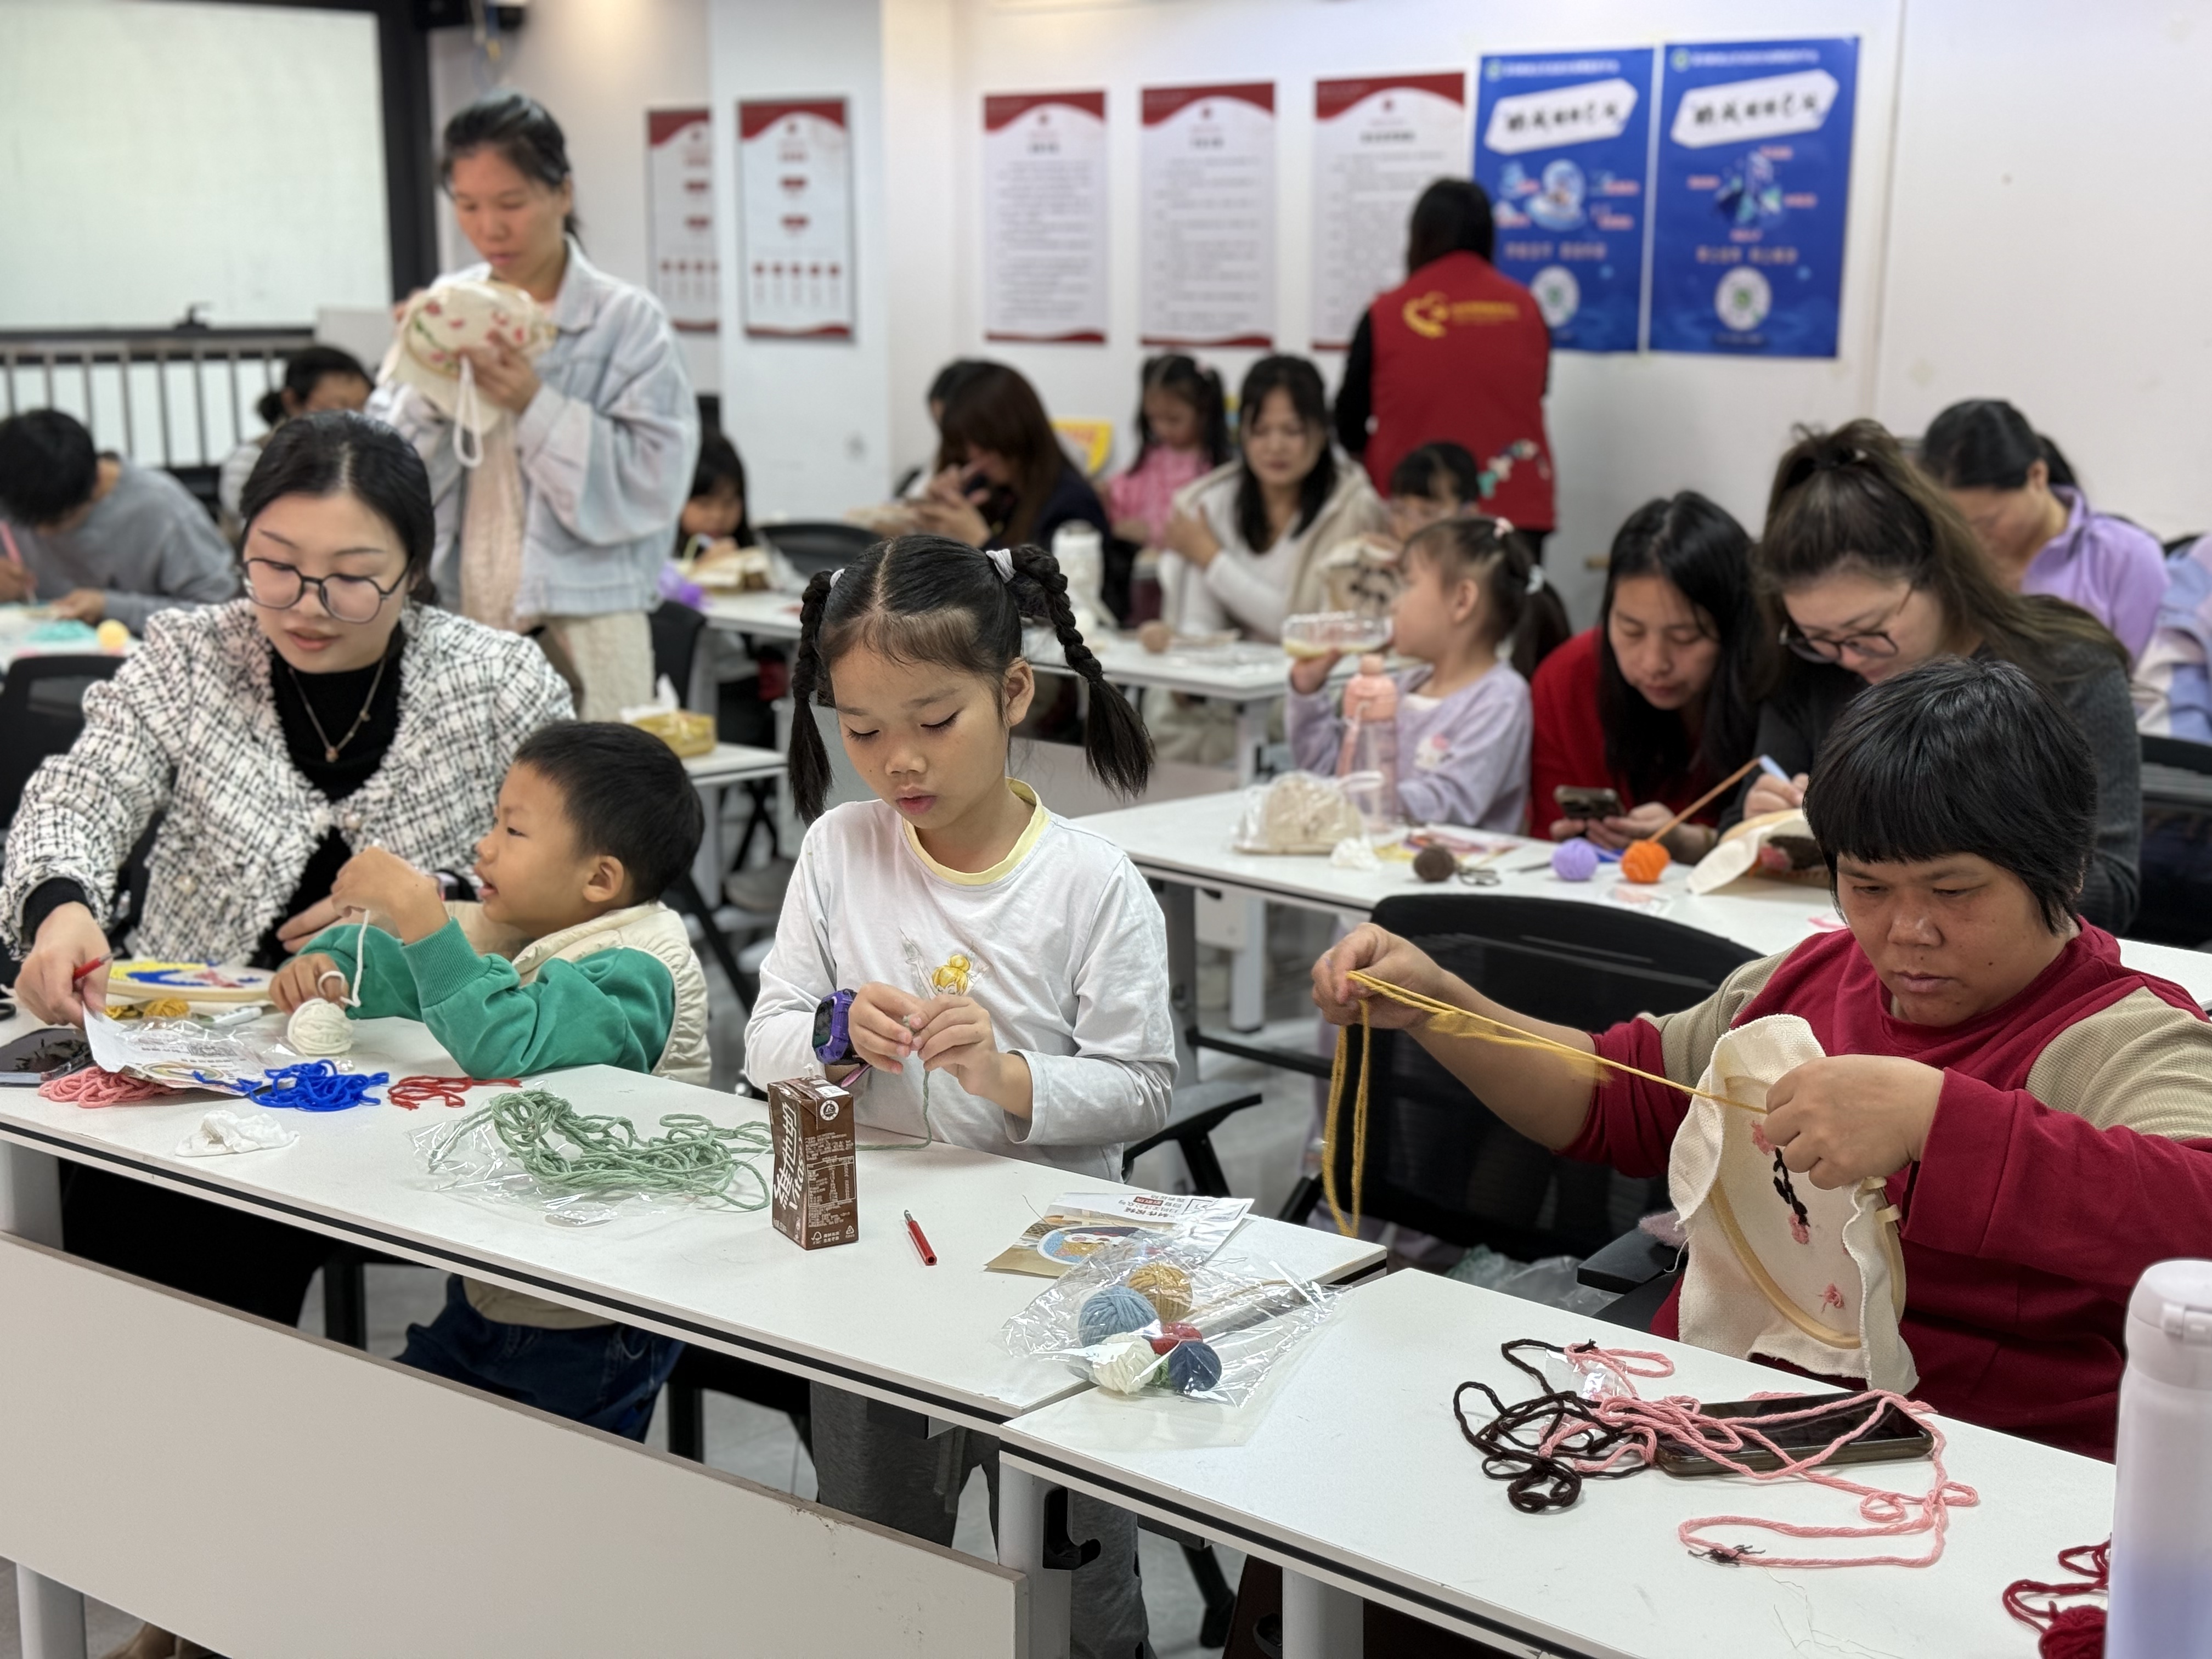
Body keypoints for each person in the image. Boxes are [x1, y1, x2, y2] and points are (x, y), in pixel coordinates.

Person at [1316, 656, 2212, 1460]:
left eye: (1953, 889)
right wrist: (1442, 1006)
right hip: (1727, 1414)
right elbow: (1617, 1097)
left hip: (1976, 1461)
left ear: (2063, 870)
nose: (1907, 930)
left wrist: (1937, 1122)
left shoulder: (2117, 1037)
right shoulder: (1805, 980)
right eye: (1867, 885)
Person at [0, 415, 567, 1659]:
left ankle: (216, 1597)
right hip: (198, 1060)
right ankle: (185, 1584)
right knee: (107, 1261)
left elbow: (570, 887)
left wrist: (432, 915)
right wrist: (62, 907)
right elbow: (74, 799)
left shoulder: (501, 682)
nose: (305, 606)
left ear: (413, 570)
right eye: (274, 565)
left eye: (351, 577)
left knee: (233, 1276)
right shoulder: (188, 654)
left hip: (410, 1071)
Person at [744, 534, 1171, 1659]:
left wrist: (1008, 1076)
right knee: (883, 1566)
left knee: (1077, 1584)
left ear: (1013, 691)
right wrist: (837, 1031)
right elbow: (767, 1044)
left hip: (1054, 1276)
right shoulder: (840, 851)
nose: (899, 762)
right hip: (874, 1266)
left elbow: (1142, 1085)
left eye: (935, 721)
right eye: (861, 730)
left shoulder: (1089, 883)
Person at [271, 721, 706, 1437]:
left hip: (594, 1313)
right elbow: (410, 972)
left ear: (600, 879)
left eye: (514, 830)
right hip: (505, 1285)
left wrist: (419, 910)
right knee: (409, 1445)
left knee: (538, 1487)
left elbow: (503, 1041)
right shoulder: (542, 920)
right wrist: (328, 964)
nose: (484, 846)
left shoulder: (637, 970)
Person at [1737, 420, 2141, 933]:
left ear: (1937, 572)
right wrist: (1759, 825)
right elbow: (1737, 831)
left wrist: (1936, 866)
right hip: (1817, 947)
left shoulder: (2066, 669)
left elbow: (2111, 887)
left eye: (1868, 631)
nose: (1848, 658)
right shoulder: (1811, 673)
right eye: (1818, 636)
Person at [370, 89, 698, 719]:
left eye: (511, 203)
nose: (489, 228)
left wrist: (533, 402)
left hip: (587, 624)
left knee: (589, 781)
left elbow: (654, 485)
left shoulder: (626, 321)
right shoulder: (447, 306)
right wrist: (432, 381)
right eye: (468, 205)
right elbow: (383, 475)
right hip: (460, 615)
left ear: (562, 193)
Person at [1287, 517, 1564, 832]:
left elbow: (1450, 802)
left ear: (1462, 601)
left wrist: (1356, 796)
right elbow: (1326, 771)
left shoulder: (1500, 698)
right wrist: (1308, 690)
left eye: (1408, 585)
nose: (1394, 604)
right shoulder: (1403, 685)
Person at [1531, 492, 1760, 854]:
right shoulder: (1566, 680)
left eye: (1685, 637)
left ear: (1734, 627)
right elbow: (1544, 833)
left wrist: (1692, 844)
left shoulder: (1773, 687)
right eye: (1631, 630)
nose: (1654, 663)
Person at [1333, 178, 1556, 544]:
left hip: (1411, 513)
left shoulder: (1386, 313)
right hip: (1514, 509)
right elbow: (1538, 389)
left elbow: (1348, 420)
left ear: (1419, 237)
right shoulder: (1527, 308)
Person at [1158, 354, 1386, 641]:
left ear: (1321, 433)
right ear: (1242, 433)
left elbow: (1319, 632)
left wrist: (1213, 560)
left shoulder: (1354, 509)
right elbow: (1198, 626)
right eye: (1261, 431)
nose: (1275, 446)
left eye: (1292, 431)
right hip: (1225, 671)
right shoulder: (1211, 502)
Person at [1920, 397, 2165, 661]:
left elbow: (2145, 680)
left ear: (2037, 475)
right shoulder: (1937, 559)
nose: (1973, 539)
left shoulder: (2125, 557)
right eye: (1957, 526)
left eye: (1988, 523)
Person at [0, 408, 236, 630]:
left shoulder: (164, 510)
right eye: (23, 522)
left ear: (97, 483)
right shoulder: (12, 486)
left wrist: (111, 608)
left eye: (57, 523)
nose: (40, 534)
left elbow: (220, 615)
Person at [912, 362, 1110, 556]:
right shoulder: (993, 489)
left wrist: (980, 540)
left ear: (1014, 428)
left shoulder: (1072, 504)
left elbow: (1056, 578)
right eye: (965, 443)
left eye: (982, 440)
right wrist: (939, 509)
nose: (972, 454)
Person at [217, 345, 374, 540]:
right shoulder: (252, 458)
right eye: (339, 407)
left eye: (361, 406)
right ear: (292, 402)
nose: (354, 418)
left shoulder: (369, 453)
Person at [1106, 353, 1230, 553]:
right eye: (1153, 418)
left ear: (1204, 412)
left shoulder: (1213, 470)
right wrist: (1104, 497)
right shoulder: (1151, 457)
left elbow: (1208, 535)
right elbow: (1122, 493)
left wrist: (1152, 533)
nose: (1161, 429)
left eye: (1173, 419)